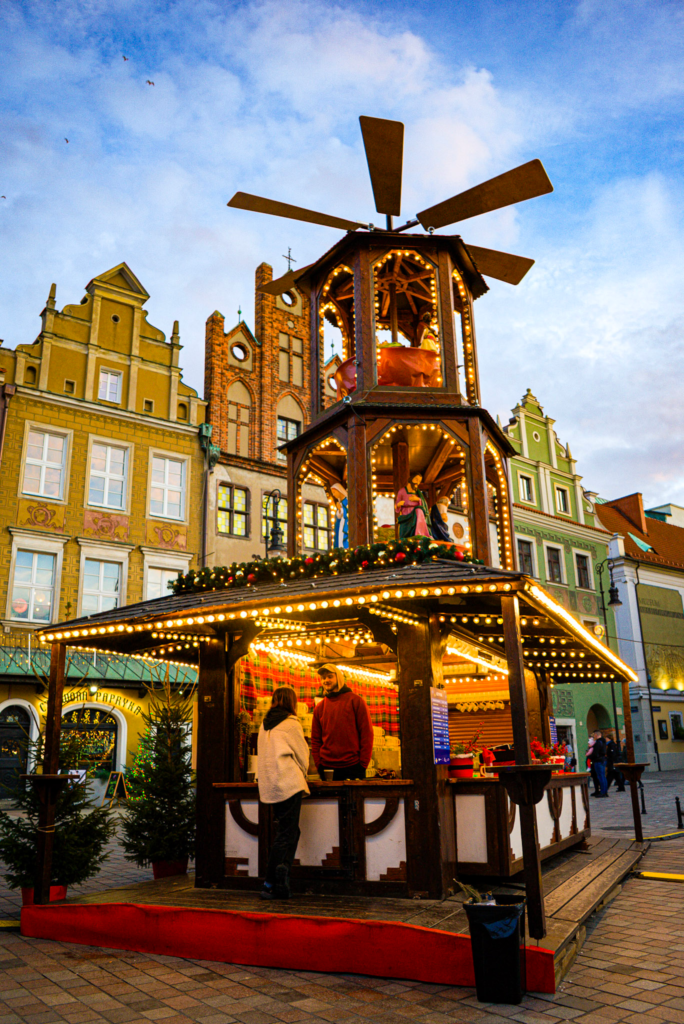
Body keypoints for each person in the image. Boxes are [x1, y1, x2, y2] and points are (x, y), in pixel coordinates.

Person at [257, 686, 310, 900]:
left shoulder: (264, 725)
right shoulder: (291, 724)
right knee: (286, 833)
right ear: (292, 702)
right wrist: (304, 772)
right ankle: (270, 882)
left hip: (271, 784)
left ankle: (282, 875)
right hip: (289, 782)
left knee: (290, 831)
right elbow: (302, 754)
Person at [312, 665, 374, 781]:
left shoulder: (356, 701)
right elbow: (315, 739)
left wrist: (362, 765)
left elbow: (367, 734)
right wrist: (318, 765)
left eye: (330, 676)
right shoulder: (319, 707)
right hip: (327, 767)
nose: (326, 680)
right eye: (323, 678)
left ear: (339, 678)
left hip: (353, 766)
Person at [395, 473, 431, 539]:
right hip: (406, 515)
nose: (417, 482)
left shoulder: (418, 493)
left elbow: (424, 506)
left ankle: (419, 533)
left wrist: (418, 499)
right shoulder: (402, 491)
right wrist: (399, 504)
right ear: (411, 479)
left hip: (416, 517)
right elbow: (397, 505)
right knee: (404, 535)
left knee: (419, 510)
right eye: (416, 479)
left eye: (419, 481)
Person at [588, 730, 608, 797]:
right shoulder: (603, 742)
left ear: (596, 735)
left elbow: (595, 753)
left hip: (598, 760)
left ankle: (603, 792)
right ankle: (604, 791)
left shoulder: (598, 743)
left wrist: (590, 756)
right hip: (602, 760)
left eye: (594, 735)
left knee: (600, 777)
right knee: (603, 776)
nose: (594, 736)